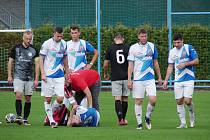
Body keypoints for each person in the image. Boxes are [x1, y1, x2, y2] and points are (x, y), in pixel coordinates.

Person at [127, 28, 162, 130]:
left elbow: (155, 62)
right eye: (142, 36)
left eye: (145, 36)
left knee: (153, 100)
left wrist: (159, 77)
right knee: (138, 101)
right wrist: (129, 79)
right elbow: (130, 65)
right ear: (138, 36)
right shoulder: (133, 48)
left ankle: (147, 116)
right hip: (138, 79)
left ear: (147, 36)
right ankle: (139, 124)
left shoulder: (152, 46)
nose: (143, 38)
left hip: (150, 78)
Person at [163, 33, 199, 128]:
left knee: (187, 101)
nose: (176, 45)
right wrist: (166, 80)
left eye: (178, 42)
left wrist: (185, 64)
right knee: (179, 101)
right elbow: (170, 66)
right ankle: (183, 123)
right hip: (178, 80)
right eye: (174, 43)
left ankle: (192, 117)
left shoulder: (188, 48)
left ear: (182, 41)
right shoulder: (172, 52)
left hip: (189, 79)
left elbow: (196, 61)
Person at [7, 30, 39, 126]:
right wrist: (9, 75)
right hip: (18, 76)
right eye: (27, 38)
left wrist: (37, 79)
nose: (28, 40)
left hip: (29, 77)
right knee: (18, 95)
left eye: (30, 39)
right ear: (23, 38)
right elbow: (10, 62)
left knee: (28, 98)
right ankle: (19, 117)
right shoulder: (16, 48)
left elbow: (37, 64)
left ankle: (25, 119)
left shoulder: (34, 50)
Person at [39, 27, 69, 128]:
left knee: (60, 99)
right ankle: (51, 121)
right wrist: (42, 73)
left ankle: (49, 114)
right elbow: (41, 58)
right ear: (53, 34)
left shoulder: (64, 43)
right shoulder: (47, 43)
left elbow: (65, 57)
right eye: (58, 36)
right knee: (48, 99)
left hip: (59, 75)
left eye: (61, 36)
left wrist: (67, 71)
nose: (59, 37)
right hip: (48, 75)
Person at [103, 32, 130, 125]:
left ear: (115, 39)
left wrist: (105, 73)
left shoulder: (110, 48)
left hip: (115, 77)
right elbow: (132, 63)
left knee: (117, 98)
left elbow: (106, 64)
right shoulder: (128, 48)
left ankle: (120, 119)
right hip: (127, 77)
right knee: (125, 98)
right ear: (123, 39)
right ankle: (124, 118)